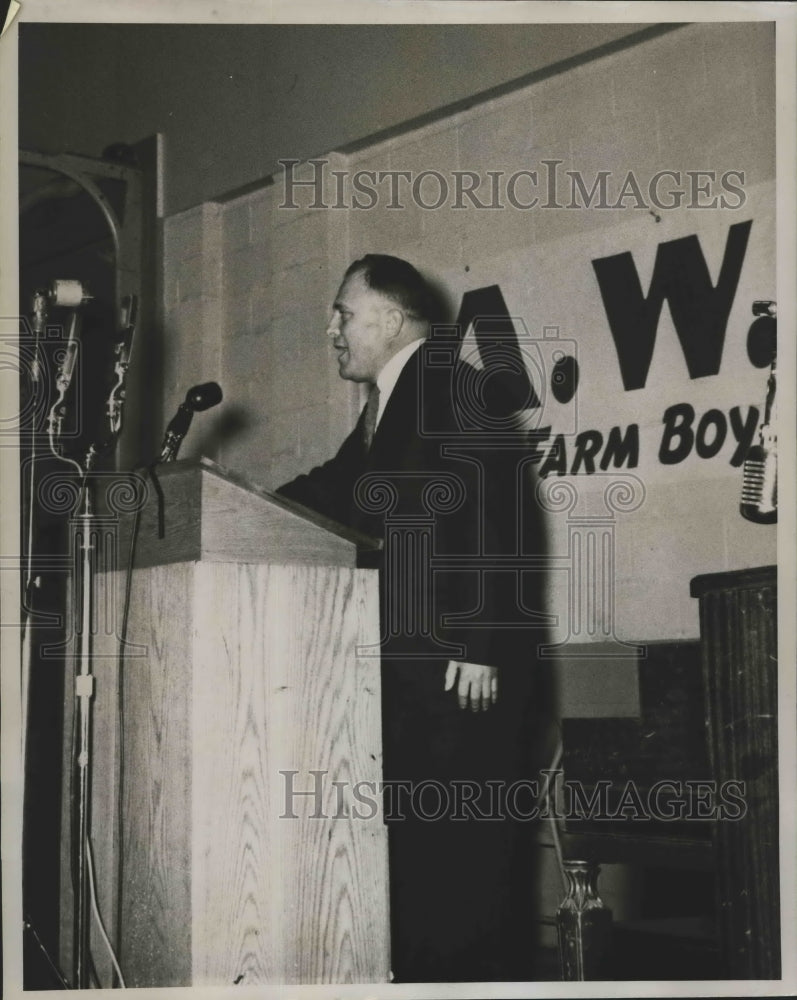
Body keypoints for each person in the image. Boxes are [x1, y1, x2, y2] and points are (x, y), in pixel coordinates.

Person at [277, 254, 535, 982]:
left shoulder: (454, 386)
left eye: (343, 313)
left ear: (389, 320)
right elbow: (335, 490)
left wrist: (482, 643)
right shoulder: (393, 402)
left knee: (463, 866)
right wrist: (227, 499)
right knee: (425, 864)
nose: (332, 329)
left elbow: (500, 516)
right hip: (415, 673)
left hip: (459, 671)